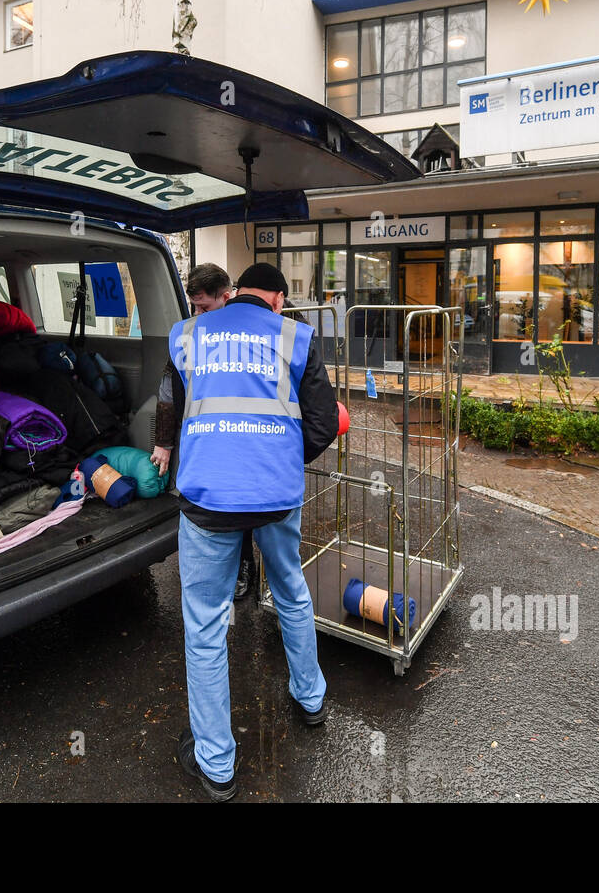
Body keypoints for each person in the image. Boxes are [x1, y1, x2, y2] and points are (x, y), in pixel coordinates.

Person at [167, 262, 339, 801]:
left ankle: (217, 764)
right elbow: (322, 424)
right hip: (275, 496)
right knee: (291, 591)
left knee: (204, 624)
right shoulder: (297, 336)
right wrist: (281, 462)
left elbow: (175, 415)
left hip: (207, 498)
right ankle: (310, 701)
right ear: (279, 300)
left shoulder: (187, 333)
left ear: (233, 293)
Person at [153, 264, 258, 602]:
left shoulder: (249, 332)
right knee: (203, 503)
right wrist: (164, 442)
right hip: (198, 435)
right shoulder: (188, 333)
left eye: (204, 307)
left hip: (237, 433)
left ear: (227, 298)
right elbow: (168, 387)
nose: (197, 314)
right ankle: (211, 573)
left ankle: (244, 567)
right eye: (193, 307)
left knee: (236, 504)